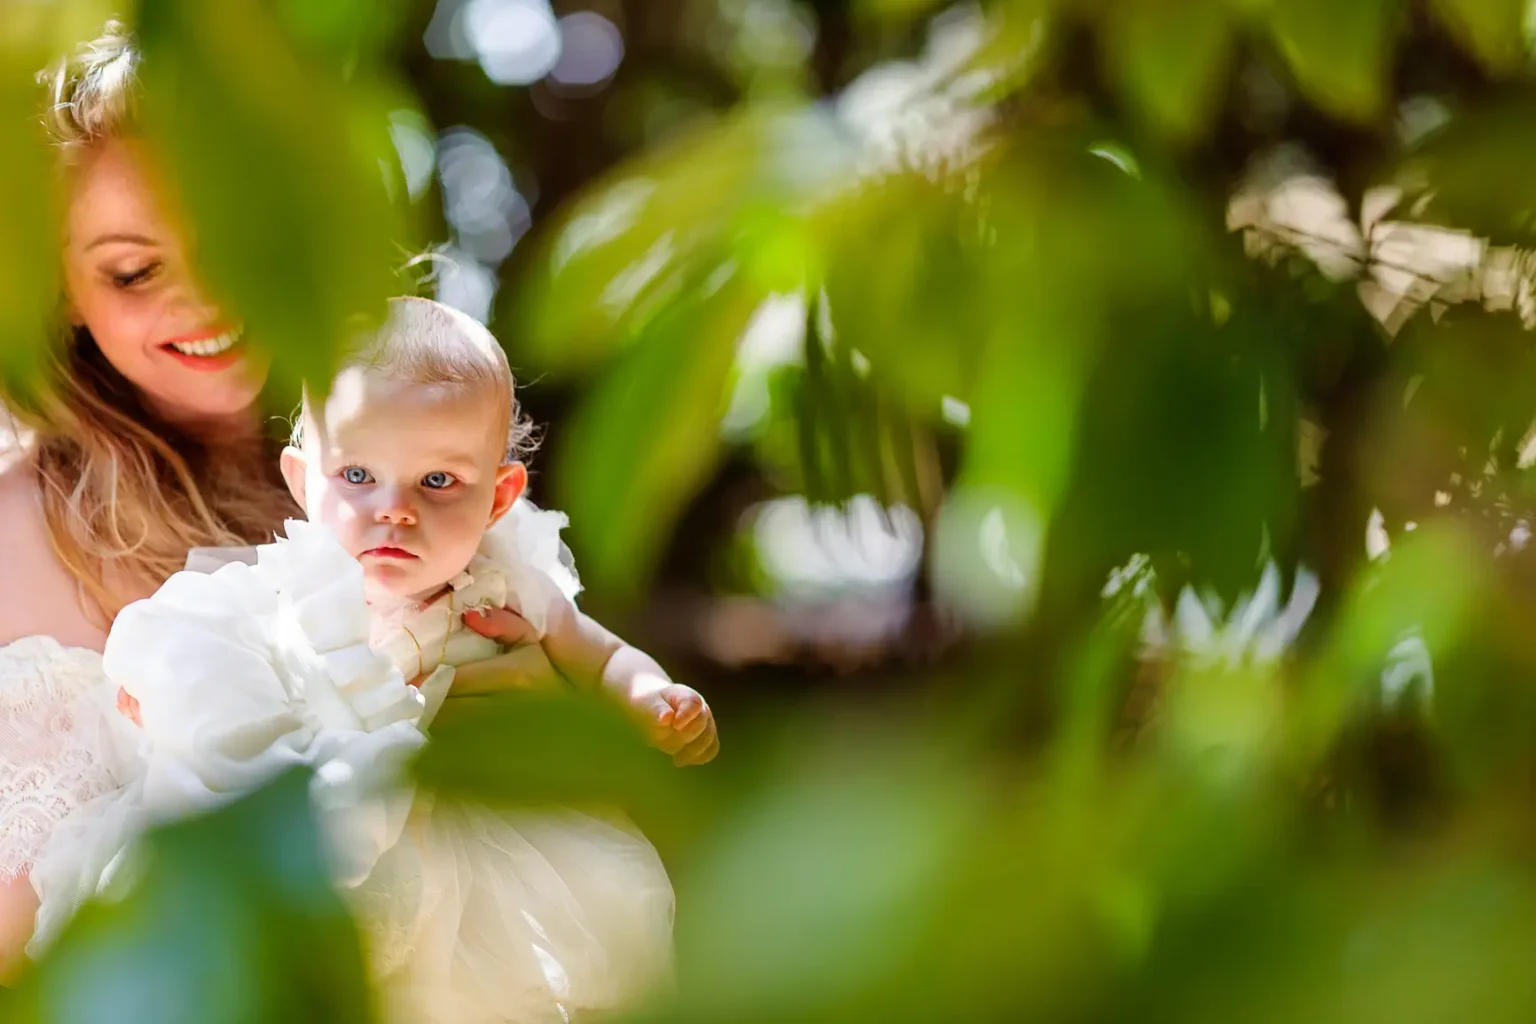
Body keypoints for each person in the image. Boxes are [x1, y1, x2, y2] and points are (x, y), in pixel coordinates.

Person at [0, 22, 555, 981]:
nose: (206, 295)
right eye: (135, 270)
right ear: (62, 294)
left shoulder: (421, 474)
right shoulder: (21, 532)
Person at [34, 296, 714, 1021]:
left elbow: (602, 655)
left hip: (492, 849)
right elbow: (201, 654)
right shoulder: (284, 589)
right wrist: (163, 693)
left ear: (498, 497)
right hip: (335, 823)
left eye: (439, 482)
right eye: (358, 477)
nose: (395, 509)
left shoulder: (509, 579)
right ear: (302, 481)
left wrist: (653, 697)